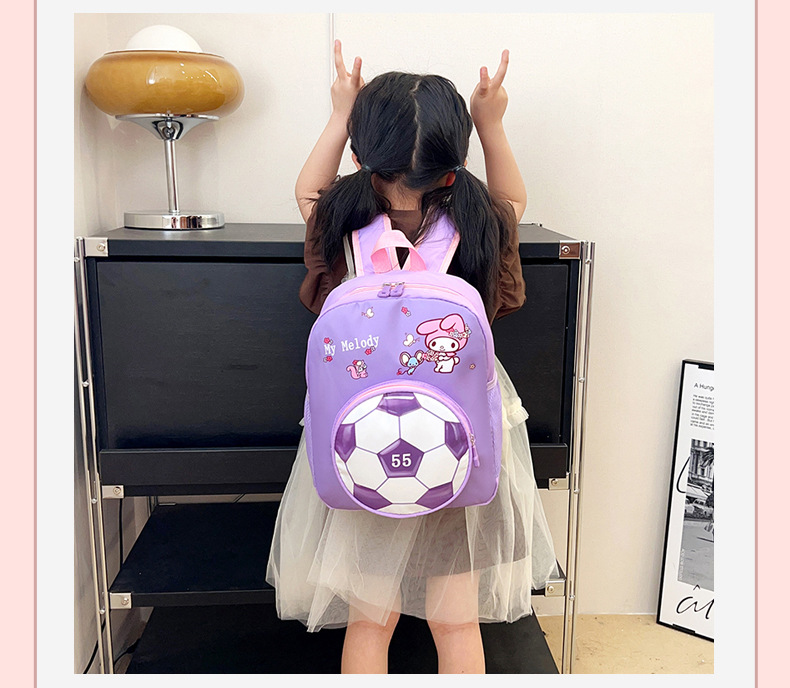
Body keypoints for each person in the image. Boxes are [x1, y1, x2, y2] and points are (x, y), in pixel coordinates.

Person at [266, 40, 559, 674]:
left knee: (370, 622)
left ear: (360, 158)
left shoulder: (340, 223)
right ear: (457, 164)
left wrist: (340, 111)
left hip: (363, 435)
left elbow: (308, 190)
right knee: (457, 622)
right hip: (462, 437)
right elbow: (514, 201)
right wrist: (492, 122)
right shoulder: (483, 224)